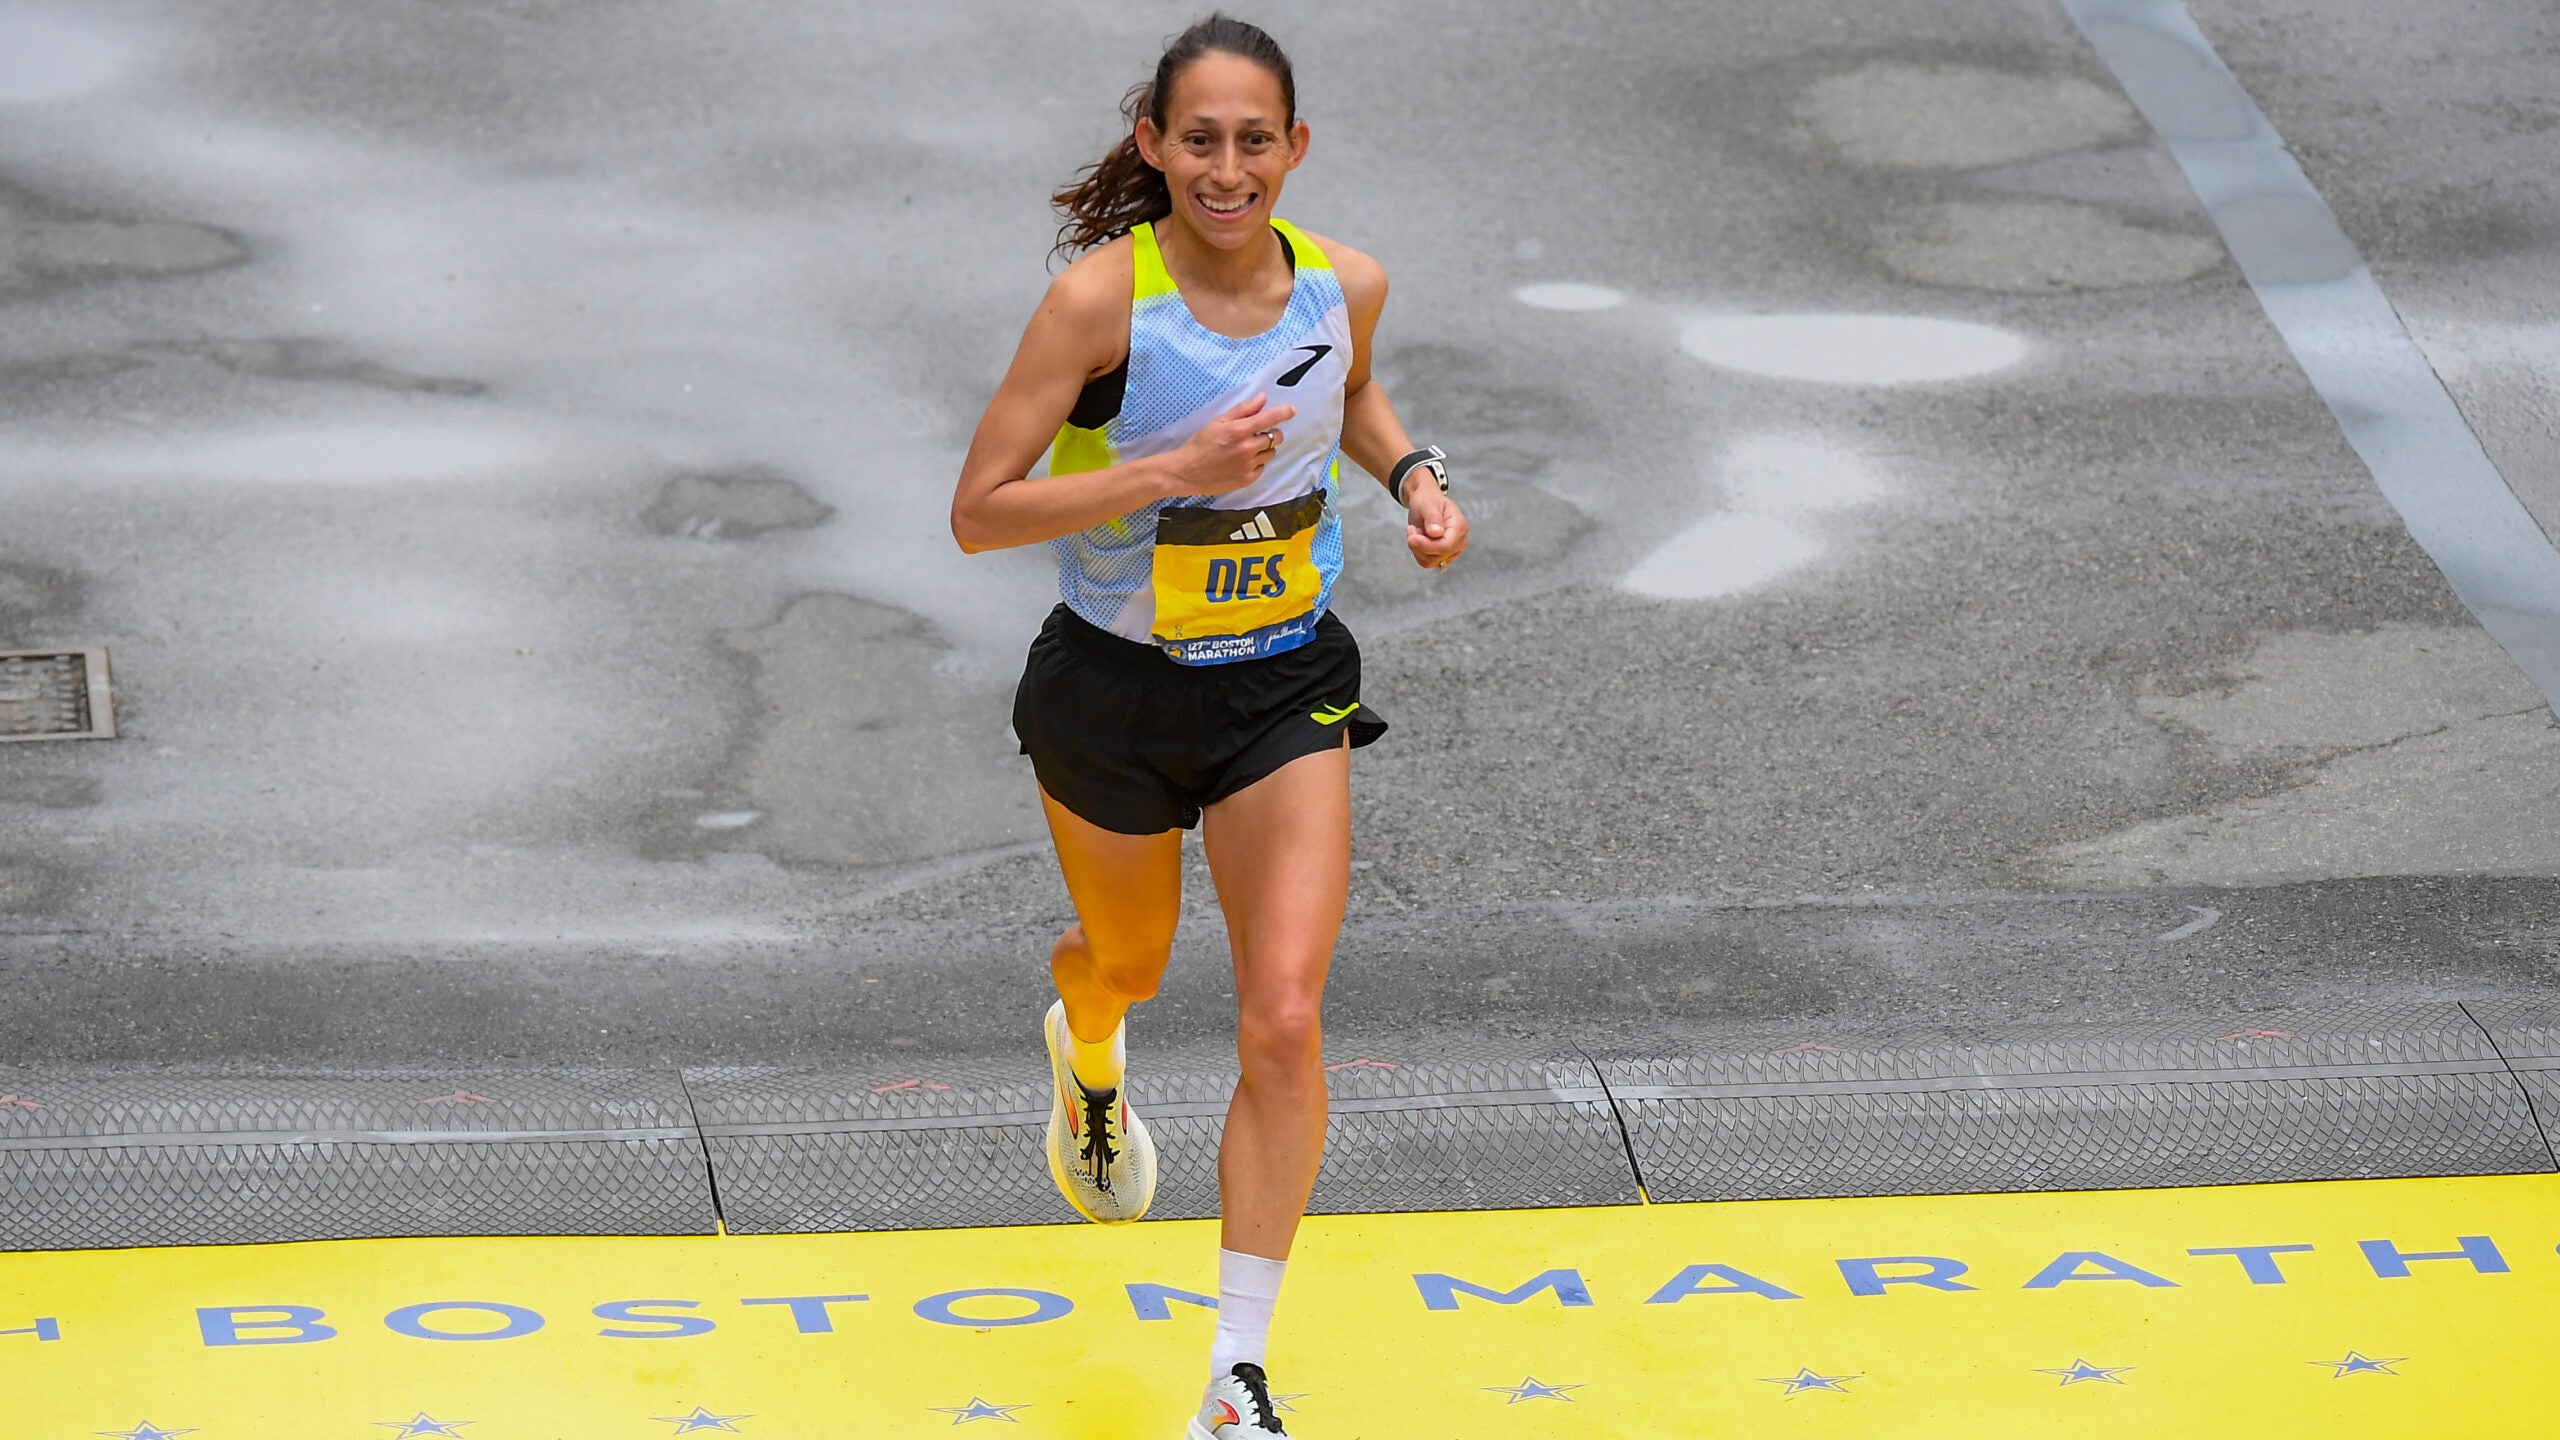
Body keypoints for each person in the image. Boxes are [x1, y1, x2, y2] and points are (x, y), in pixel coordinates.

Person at [948, 13, 1468, 1436]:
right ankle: (1089, 1051)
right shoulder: (1099, 310)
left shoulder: (1345, 284)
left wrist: (1414, 475)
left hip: (1280, 687)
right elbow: (979, 512)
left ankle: (1237, 1373)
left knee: (1284, 1018)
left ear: (1295, 149)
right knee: (1128, 962)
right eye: (1200, 140)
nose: (1227, 168)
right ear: (1154, 146)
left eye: (1255, 141)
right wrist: (1165, 467)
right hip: (1110, 691)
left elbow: (1347, 392)